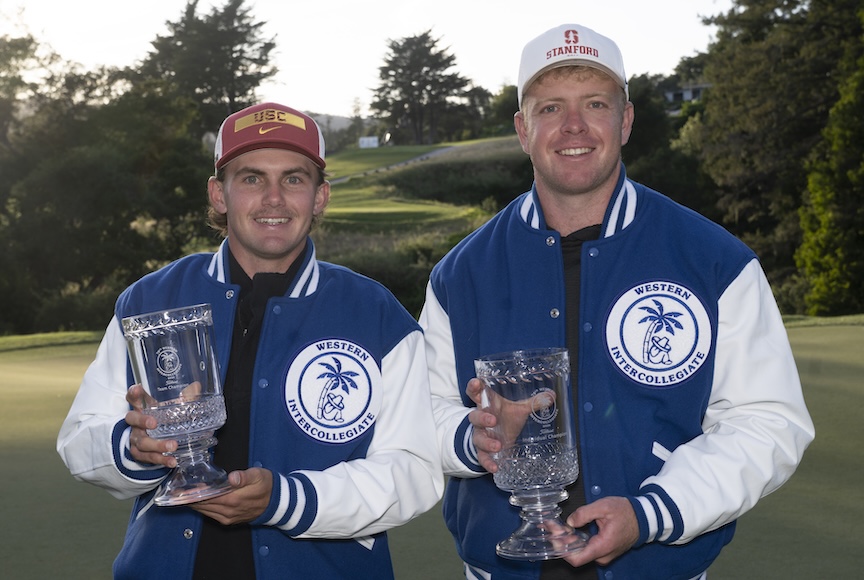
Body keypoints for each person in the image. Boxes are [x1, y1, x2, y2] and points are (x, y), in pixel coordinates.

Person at [419, 23, 815, 580]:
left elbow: (767, 422)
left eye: (595, 103)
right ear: (521, 129)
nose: (573, 126)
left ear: (625, 121)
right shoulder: (459, 276)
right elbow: (420, 416)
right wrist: (472, 435)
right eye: (551, 107)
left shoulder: (714, 261)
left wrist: (652, 513)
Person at [57, 102, 444, 579]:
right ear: (219, 194)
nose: (274, 199)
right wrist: (134, 446)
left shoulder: (376, 314)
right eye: (252, 178)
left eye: (295, 179)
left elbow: (413, 472)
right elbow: (80, 440)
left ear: (321, 196)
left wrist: (284, 499)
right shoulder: (150, 300)